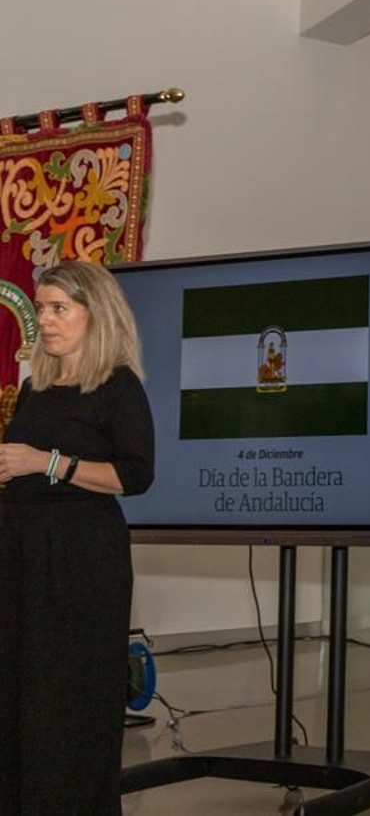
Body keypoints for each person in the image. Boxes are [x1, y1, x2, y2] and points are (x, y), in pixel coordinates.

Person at [0, 260, 156, 815]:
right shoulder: (36, 389)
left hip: (80, 561)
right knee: (19, 695)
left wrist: (48, 462)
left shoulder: (117, 386)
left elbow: (135, 476)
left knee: (67, 698)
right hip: (20, 556)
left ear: (96, 314)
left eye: (59, 307)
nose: (45, 319)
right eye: (41, 308)